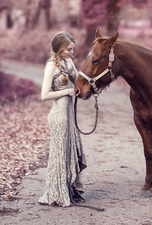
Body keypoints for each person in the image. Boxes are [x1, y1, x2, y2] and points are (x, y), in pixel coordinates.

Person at [38, 31, 87, 207]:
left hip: (70, 117)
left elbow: (78, 81)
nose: (72, 53)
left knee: (71, 153)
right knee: (60, 156)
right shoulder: (51, 66)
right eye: (69, 49)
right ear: (59, 48)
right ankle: (57, 193)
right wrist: (67, 91)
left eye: (72, 49)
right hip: (59, 117)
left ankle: (70, 189)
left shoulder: (69, 62)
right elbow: (44, 94)